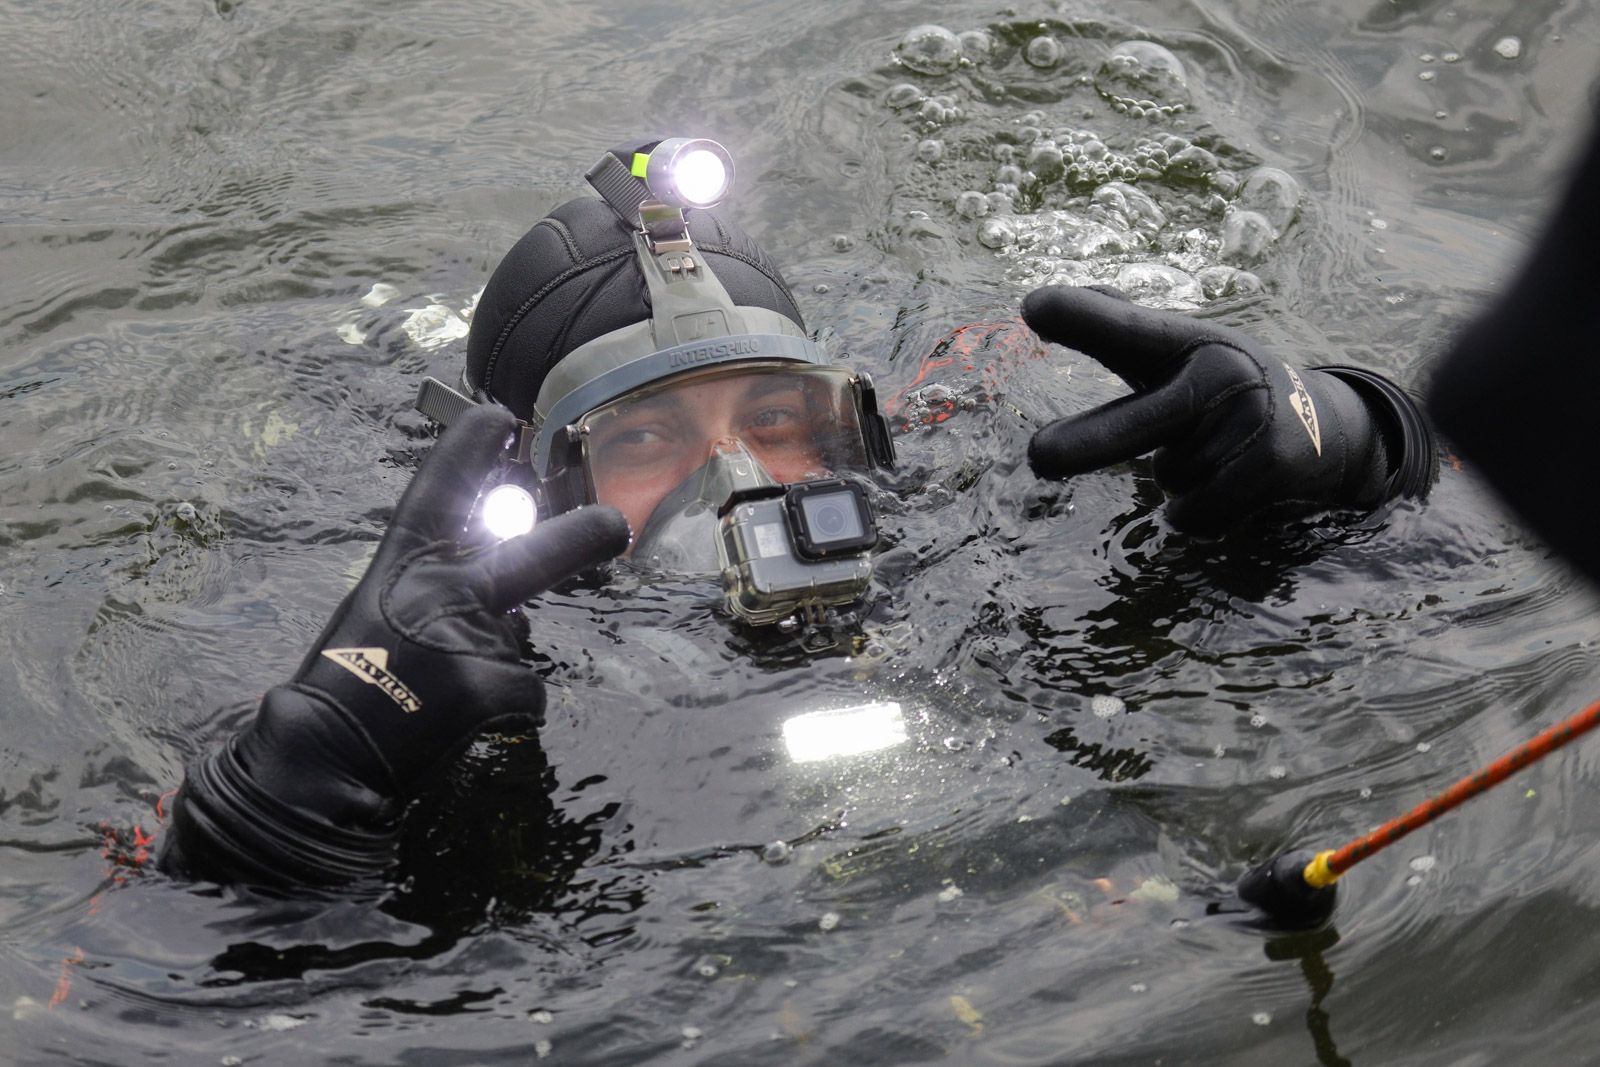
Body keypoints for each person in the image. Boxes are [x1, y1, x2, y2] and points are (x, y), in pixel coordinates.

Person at [158, 137, 1436, 890]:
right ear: (537, 494)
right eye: (649, 438)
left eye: (780, 419)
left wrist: (1351, 443)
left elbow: (1437, 609)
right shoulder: (462, 696)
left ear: (865, 430)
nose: (744, 479)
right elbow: (152, 992)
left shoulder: (990, 544)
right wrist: (297, 795)